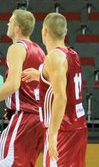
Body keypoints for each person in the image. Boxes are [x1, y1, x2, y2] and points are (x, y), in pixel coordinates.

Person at [0, 9, 45, 166]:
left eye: (10, 21)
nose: (8, 23)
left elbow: (12, 84)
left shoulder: (17, 48)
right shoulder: (39, 50)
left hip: (25, 117)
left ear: (17, 27)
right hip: (39, 118)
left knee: (0, 163)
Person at [21, 13, 87, 166]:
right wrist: (42, 77)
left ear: (44, 31)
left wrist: (52, 134)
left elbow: (61, 97)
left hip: (63, 128)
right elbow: (66, 84)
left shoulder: (53, 57)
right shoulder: (73, 54)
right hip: (78, 126)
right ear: (65, 32)